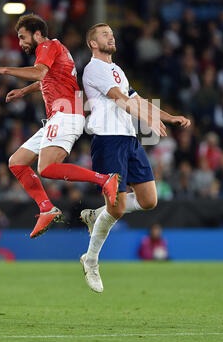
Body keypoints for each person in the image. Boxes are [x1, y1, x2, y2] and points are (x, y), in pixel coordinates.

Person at [0, 14, 121, 238]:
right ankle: (46, 208)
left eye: (22, 37)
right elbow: (46, 78)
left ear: (37, 34)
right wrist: (23, 91)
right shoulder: (56, 49)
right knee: (17, 162)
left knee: (46, 168)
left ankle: (104, 179)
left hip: (66, 115)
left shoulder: (47, 46)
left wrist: (4, 69)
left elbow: (40, 72)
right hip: (61, 116)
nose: (20, 43)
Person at [80, 23, 191, 293]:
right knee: (117, 209)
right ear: (93, 43)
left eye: (112, 33)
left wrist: (167, 116)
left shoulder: (116, 70)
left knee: (149, 200)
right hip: (108, 141)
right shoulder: (94, 67)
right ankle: (91, 259)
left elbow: (135, 98)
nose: (112, 36)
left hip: (129, 139)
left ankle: (98, 214)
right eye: (105, 34)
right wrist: (147, 119)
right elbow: (118, 98)